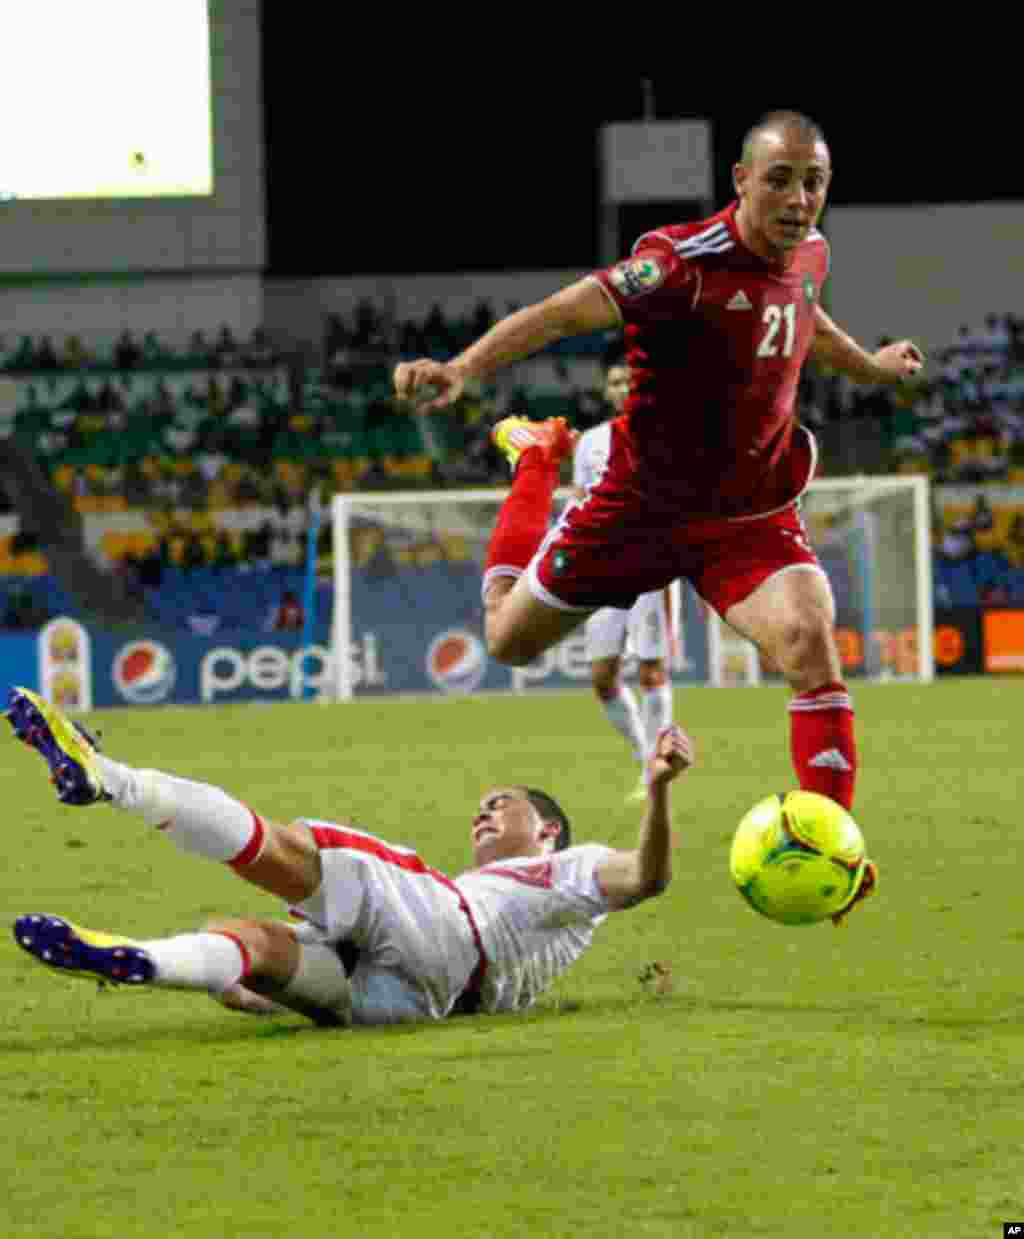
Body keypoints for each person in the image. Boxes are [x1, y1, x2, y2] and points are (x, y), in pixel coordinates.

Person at [394, 110, 924, 816]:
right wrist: (462, 367)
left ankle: (830, 845)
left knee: (808, 640)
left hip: (748, 513)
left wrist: (869, 366)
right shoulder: (678, 263)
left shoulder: (811, 254)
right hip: (639, 508)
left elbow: (803, 317)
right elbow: (561, 313)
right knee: (507, 639)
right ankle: (534, 460)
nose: (799, 200)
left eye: (815, 183)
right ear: (740, 180)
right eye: (780, 181)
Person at [7, 686, 697, 1026]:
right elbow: (260, 996)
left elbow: (647, 875)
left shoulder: (567, 870)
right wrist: (255, 992)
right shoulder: (510, 898)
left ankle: (108, 777)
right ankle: (140, 960)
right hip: (413, 1004)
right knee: (242, 942)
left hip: (450, 932)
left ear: (548, 828)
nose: (483, 811)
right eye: (482, 803)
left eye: (503, 802)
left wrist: (659, 790)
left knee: (285, 847)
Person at [574, 360, 676, 801]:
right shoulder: (591, 443)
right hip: (600, 567)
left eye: (629, 381)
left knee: (652, 669)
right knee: (603, 677)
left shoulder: (666, 433)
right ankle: (642, 756)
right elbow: (579, 502)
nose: (621, 388)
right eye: (614, 382)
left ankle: (657, 769)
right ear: (607, 391)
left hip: (651, 563)